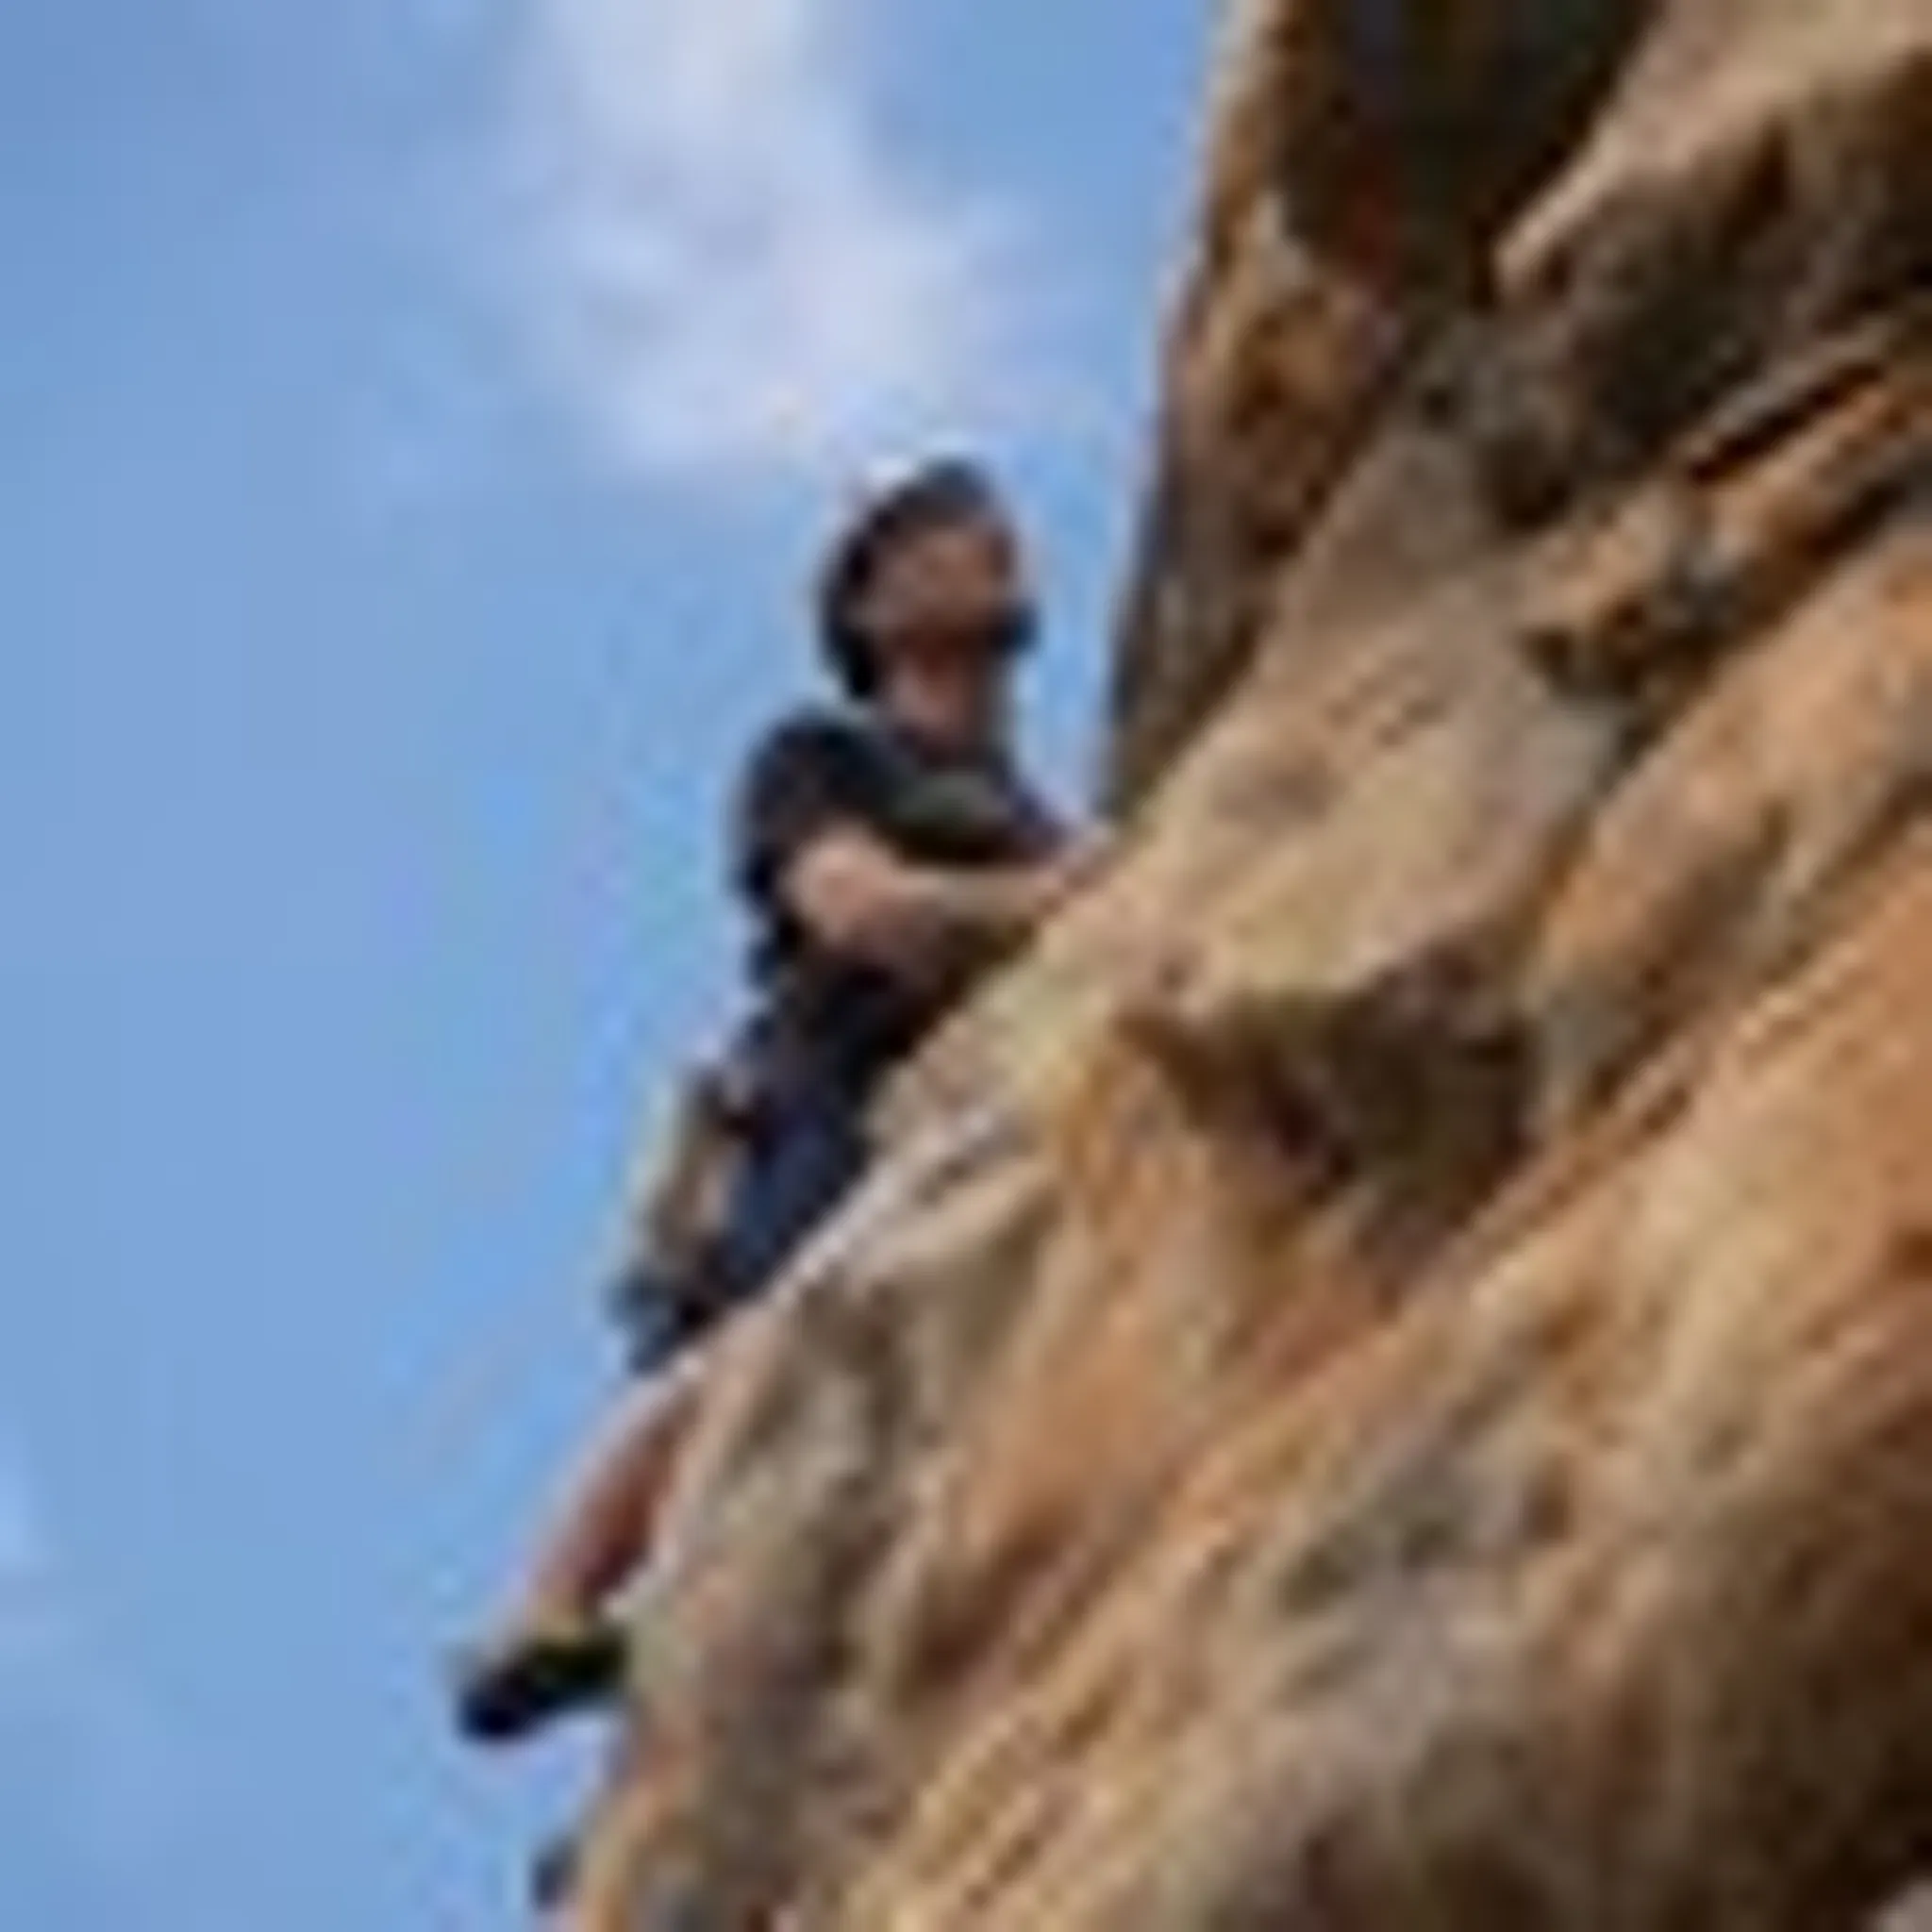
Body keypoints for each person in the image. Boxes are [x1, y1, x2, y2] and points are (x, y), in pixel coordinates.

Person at [453, 458, 1094, 1745]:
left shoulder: (1044, 823)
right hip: (840, 1088)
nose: (991, 545)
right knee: (770, 1342)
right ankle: (547, 1607)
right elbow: (862, 912)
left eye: (994, 530)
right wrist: (1062, 901)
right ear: (869, 610)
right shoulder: (824, 754)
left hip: (986, 1100)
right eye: (941, 535)